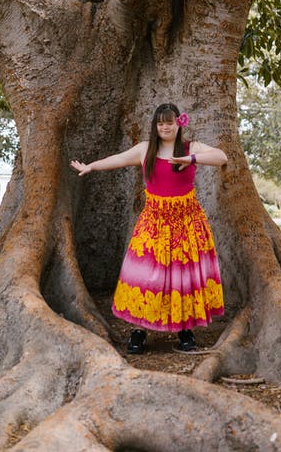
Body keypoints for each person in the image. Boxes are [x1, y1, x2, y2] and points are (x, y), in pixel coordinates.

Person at [70, 102, 227, 354]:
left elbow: (221, 157)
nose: (165, 126)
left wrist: (191, 159)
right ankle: (138, 331)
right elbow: (118, 159)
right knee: (145, 276)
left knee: (182, 276)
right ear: (156, 126)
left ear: (179, 123)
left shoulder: (191, 147)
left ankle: (185, 331)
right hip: (154, 222)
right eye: (161, 123)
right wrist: (91, 166)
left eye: (170, 122)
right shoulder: (146, 150)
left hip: (186, 222)